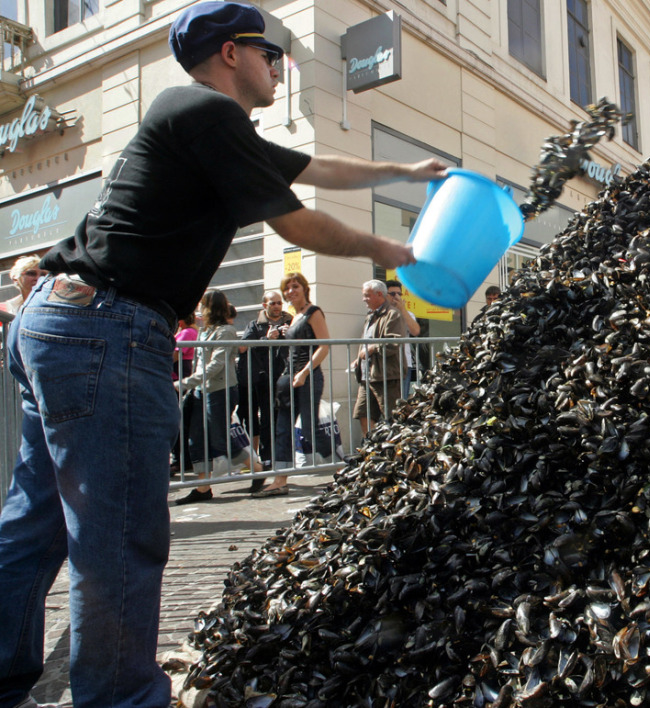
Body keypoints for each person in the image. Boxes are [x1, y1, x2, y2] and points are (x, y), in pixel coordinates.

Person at [0, 3, 447, 705]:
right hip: (105, 328)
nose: (279, 67)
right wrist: (391, 250)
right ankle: (120, 698)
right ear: (231, 55)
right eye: (270, 55)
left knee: (36, 521)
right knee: (119, 534)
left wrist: (406, 167)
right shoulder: (209, 114)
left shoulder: (202, 123)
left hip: (59, 321)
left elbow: (317, 167)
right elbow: (294, 218)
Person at [173, 290, 261, 504]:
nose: (198, 309)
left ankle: (258, 470)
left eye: (202, 305)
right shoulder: (205, 331)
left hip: (219, 391)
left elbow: (216, 365)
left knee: (220, 440)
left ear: (210, 307)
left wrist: (185, 383)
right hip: (201, 391)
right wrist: (192, 386)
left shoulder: (226, 331)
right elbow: (200, 363)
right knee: (196, 439)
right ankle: (203, 488)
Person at [259, 272, 330, 498]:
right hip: (288, 378)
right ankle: (280, 480)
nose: (291, 291)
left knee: (310, 428)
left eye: (295, 286)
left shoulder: (313, 312)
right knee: (282, 429)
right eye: (287, 287)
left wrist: (304, 372)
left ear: (304, 288)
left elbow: (324, 346)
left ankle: (345, 470)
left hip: (307, 377)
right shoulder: (294, 317)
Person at [236, 289, 291, 491]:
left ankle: (282, 465)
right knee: (266, 422)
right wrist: (266, 339)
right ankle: (266, 465)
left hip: (285, 378)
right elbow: (242, 347)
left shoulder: (291, 321)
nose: (277, 306)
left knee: (283, 422)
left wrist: (290, 334)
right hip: (263, 380)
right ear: (264, 306)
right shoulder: (256, 324)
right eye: (272, 303)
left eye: (279, 303)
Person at [353, 280, 406, 436]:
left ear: (379, 295)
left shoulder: (393, 315)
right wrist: (358, 359)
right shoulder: (370, 316)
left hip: (386, 376)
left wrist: (372, 349)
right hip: (366, 376)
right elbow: (364, 341)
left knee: (392, 418)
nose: (364, 299)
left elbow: (394, 343)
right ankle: (372, 450)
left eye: (367, 296)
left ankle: (394, 453)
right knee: (363, 414)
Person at [386, 280, 421, 397]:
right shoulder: (379, 314)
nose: (396, 297)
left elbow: (415, 331)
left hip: (403, 363)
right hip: (384, 364)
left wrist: (402, 309)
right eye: (392, 294)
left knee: (401, 400)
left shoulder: (408, 314)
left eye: (399, 294)